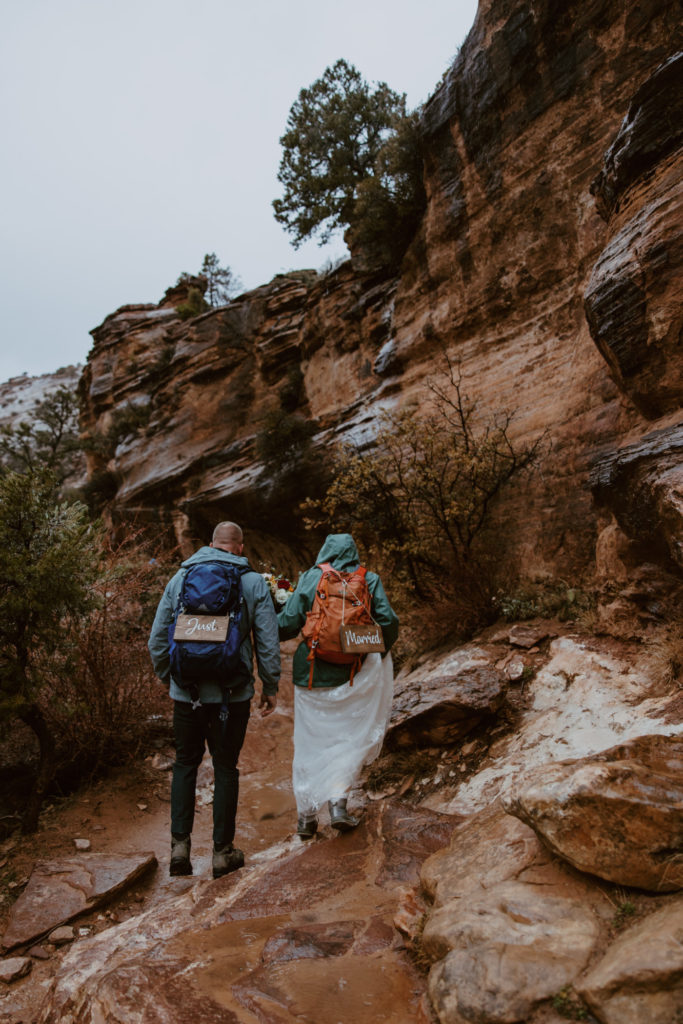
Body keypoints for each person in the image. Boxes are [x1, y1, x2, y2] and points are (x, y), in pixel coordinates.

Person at [148, 521, 280, 878]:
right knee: (225, 767)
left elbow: (158, 639)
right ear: (239, 547)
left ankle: (179, 849)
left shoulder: (181, 578)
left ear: (211, 544)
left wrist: (168, 678)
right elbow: (267, 640)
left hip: (186, 693)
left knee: (185, 764)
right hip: (231, 696)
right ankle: (222, 853)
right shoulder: (252, 582)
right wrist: (270, 685)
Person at [277, 533, 399, 837]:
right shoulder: (368, 579)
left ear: (325, 553)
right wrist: (375, 655)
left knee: (308, 743)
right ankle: (338, 805)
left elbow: (288, 622)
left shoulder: (312, 577)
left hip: (312, 672)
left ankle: (306, 818)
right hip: (353, 673)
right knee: (347, 739)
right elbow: (389, 621)